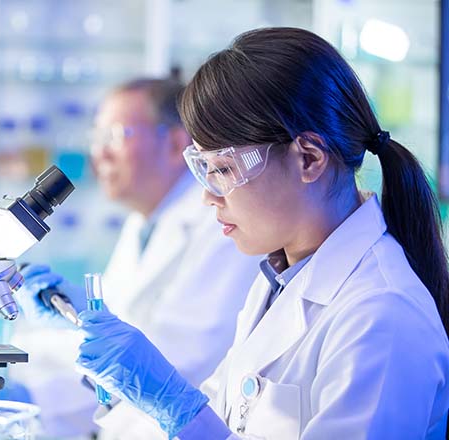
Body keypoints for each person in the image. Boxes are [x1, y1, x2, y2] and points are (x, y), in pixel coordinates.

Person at [73, 27, 449, 439]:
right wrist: (138, 396)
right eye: (202, 169)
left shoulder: (381, 316)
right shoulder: (279, 278)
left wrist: (174, 405)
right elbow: (221, 418)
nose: (207, 198)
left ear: (308, 158)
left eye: (223, 170)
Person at [12, 78, 261, 438]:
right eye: (96, 139)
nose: (100, 154)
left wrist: (31, 401)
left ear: (176, 143)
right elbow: (114, 336)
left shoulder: (221, 223)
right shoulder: (142, 222)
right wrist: (70, 322)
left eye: (115, 136)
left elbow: (176, 361)